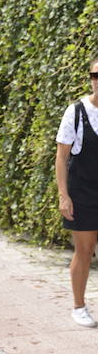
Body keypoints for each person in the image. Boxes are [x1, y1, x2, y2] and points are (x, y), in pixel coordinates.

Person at [56, 56, 98, 328]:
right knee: (84, 250)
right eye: (95, 75)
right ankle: (79, 306)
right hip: (83, 192)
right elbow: (61, 157)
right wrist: (64, 195)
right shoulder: (77, 111)